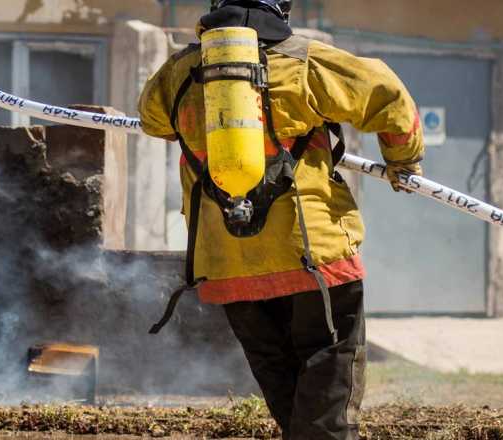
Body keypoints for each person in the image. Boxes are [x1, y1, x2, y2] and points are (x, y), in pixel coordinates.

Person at [139, 1, 424, 438]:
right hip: (313, 259)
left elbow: (152, 120)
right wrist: (402, 160)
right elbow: (387, 95)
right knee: (327, 398)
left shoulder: (177, 72)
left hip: (228, 264)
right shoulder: (306, 62)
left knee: (287, 396)